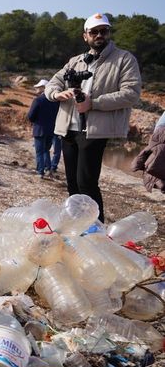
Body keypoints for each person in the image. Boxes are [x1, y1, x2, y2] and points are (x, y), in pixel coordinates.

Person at [45, 13, 142, 222]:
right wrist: (56, 94)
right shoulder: (75, 61)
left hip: (95, 129)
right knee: (72, 182)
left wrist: (94, 103)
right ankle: (76, 224)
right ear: (85, 36)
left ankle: (96, 228)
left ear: (109, 33)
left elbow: (131, 93)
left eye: (104, 31)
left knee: (86, 182)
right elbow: (52, 83)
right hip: (68, 128)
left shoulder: (124, 59)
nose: (99, 35)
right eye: (94, 31)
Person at [27, 79, 60, 179]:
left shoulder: (38, 100)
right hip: (51, 130)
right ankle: (48, 169)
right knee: (46, 150)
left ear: (43, 88)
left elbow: (30, 116)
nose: (37, 89)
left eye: (38, 87)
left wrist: (34, 121)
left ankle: (40, 171)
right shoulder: (56, 102)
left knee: (40, 152)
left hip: (39, 129)